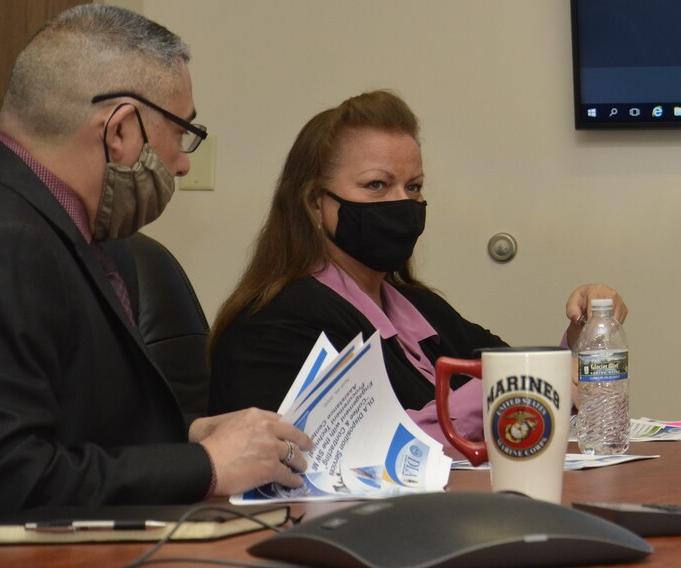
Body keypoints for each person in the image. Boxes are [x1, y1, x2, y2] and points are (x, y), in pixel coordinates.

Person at [0, 4, 312, 510]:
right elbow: (13, 477)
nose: (184, 163)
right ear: (119, 131)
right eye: (182, 131)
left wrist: (186, 436)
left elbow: (69, 427)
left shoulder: (80, 233)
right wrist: (206, 467)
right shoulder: (9, 242)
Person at [207, 89, 626, 452]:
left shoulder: (416, 307)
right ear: (317, 202)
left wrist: (586, 330)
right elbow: (347, 451)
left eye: (414, 186)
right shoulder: (272, 325)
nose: (402, 203)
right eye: (376, 185)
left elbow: (514, 375)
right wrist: (514, 391)